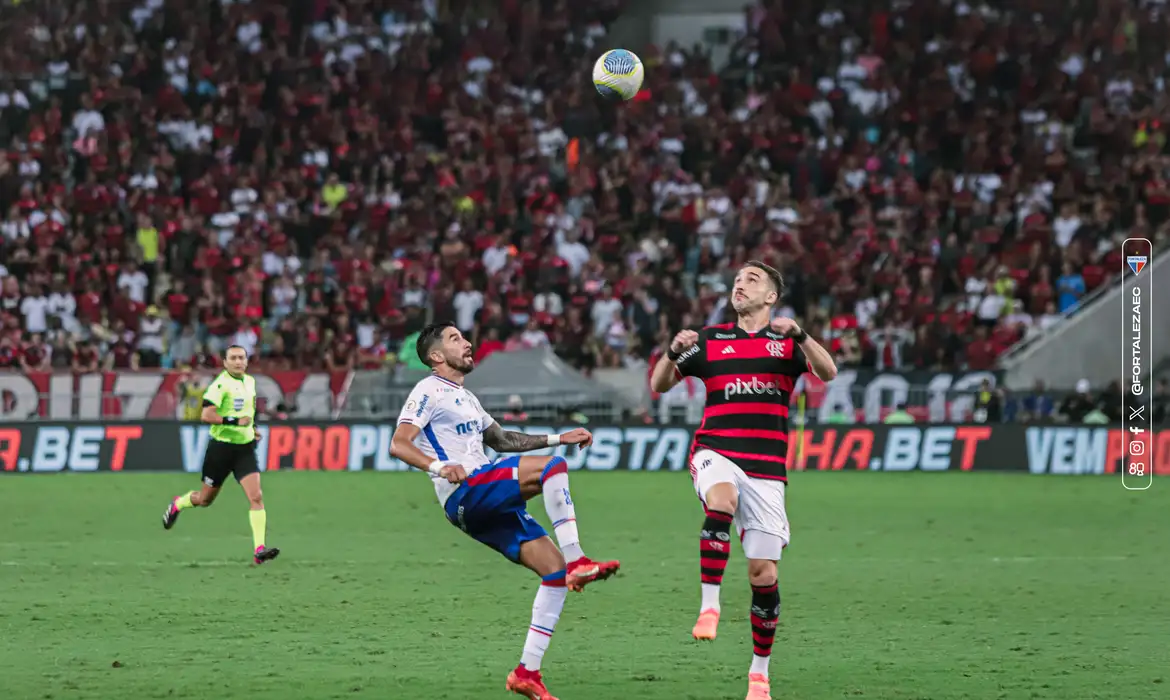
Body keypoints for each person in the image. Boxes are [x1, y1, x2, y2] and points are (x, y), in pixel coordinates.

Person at [390, 321, 620, 700]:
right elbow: (399, 444)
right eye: (455, 339)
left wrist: (558, 437)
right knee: (552, 469)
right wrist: (438, 466)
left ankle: (527, 673)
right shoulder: (428, 390)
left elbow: (502, 439)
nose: (467, 343)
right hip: (468, 491)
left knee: (553, 572)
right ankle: (579, 559)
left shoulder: (466, 396)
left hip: (479, 499)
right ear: (435, 356)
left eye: (464, 336)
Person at [648, 261, 837, 700]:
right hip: (716, 450)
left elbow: (828, 372)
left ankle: (759, 674)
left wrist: (802, 336)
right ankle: (709, 606)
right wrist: (672, 352)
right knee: (721, 501)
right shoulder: (709, 340)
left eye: (752, 280)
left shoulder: (786, 343)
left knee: (762, 573)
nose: (740, 285)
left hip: (767, 468)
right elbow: (660, 384)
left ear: (771, 297)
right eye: (736, 280)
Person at [161, 345, 280, 566]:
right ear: (225, 363)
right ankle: (179, 503)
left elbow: (247, 413)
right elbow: (206, 415)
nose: (238, 362)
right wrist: (234, 422)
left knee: (256, 497)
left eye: (241, 358)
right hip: (221, 450)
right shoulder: (219, 385)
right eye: (233, 358)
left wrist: (252, 429)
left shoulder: (250, 382)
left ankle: (259, 550)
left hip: (244, 449)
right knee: (205, 499)